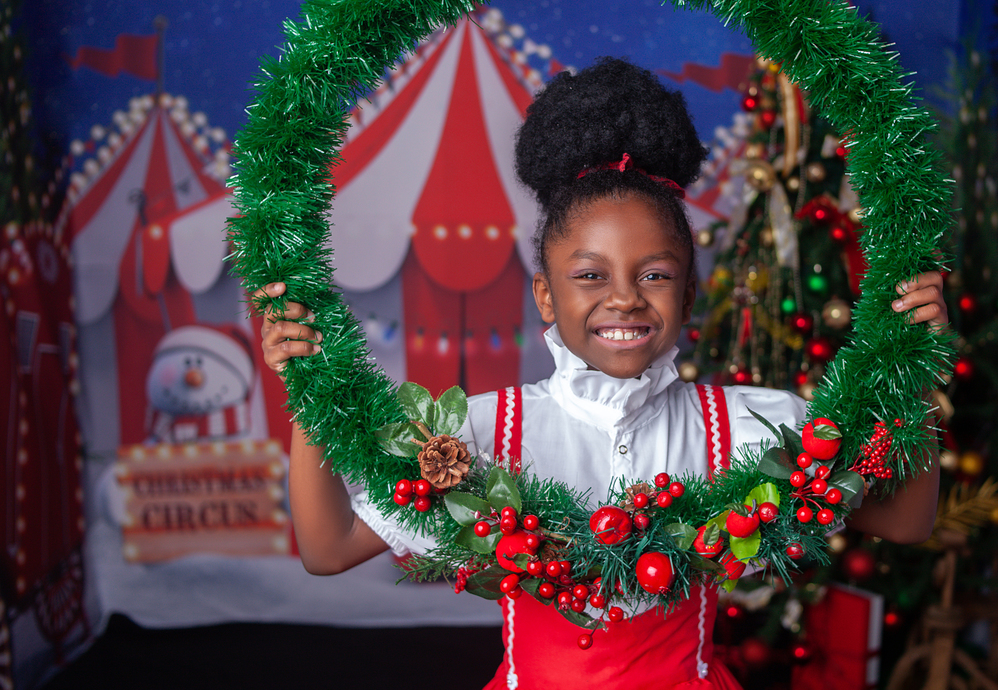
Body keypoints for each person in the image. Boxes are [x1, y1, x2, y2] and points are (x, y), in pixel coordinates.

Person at [257, 58, 947, 688]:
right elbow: (329, 548)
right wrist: (314, 390)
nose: (623, 297)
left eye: (655, 274)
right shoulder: (476, 431)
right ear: (547, 294)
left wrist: (913, 366)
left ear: (688, 293)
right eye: (590, 275)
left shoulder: (753, 425)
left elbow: (908, 520)